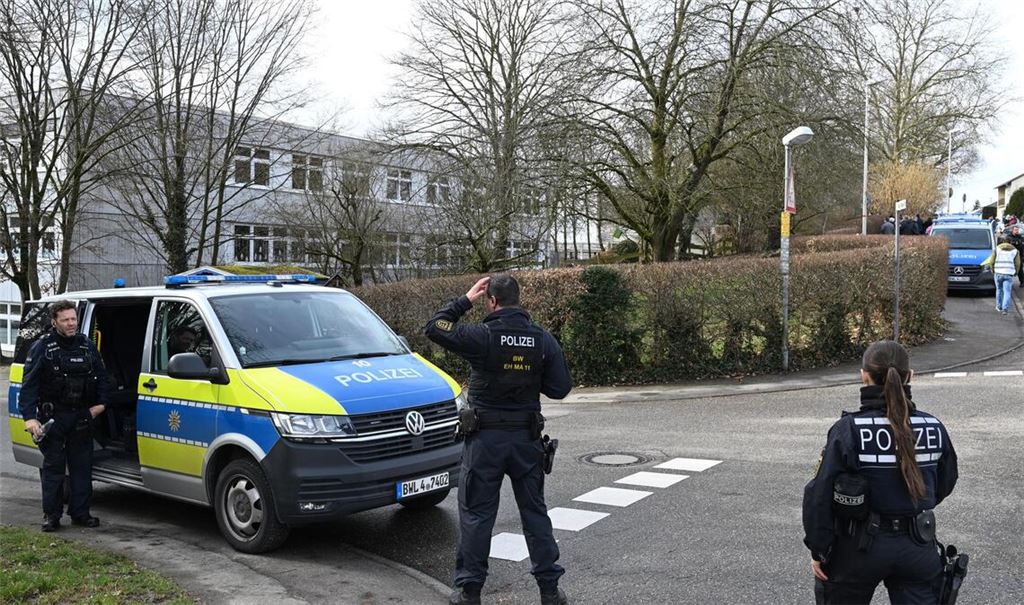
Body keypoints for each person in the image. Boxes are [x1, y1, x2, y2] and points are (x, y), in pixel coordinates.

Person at [425, 274, 572, 605]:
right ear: (519, 301)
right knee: (535, 514)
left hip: (485, 441)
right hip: (526, 440)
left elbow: (435, 327)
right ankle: (550, 591)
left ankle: (470, 592)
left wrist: (465, 299)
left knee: (477, 515)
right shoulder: (542, 339)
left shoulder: (481, 336)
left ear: (490, 300)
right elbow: (560, 388)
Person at [803, 340, 958, 604]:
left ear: (864, 375)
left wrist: (819, 549)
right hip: (918, 545)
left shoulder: (848, 429)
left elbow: (819, 494)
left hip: (858, 548)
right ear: (910, 376)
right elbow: (945, 482)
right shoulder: (934, 427)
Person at [20, 300, 110, 532]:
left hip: (81, 416)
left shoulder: (87, 346)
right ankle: (52, 516)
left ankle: (81, 513)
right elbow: (28, 386)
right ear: (55, 322)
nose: (71, 324)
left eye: (73, 319)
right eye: (66, 320)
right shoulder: (43, 347)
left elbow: (102, 378)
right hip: (54, 418)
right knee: (54, 470)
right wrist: (30, 418)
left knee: (82, 468)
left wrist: (100, 405)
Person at [981, 234, 1021, 314]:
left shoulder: (997, 249)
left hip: (998, 272)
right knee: (1007, 291)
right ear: (1010, 242)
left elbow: (992, 261)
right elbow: (1017, 263)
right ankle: (1005, 309)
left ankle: (998, 306)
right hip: (1009, 273)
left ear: (1002, 241)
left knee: (999, 290)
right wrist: (1016, 272)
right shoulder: (1015, 251)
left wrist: (993, 270)